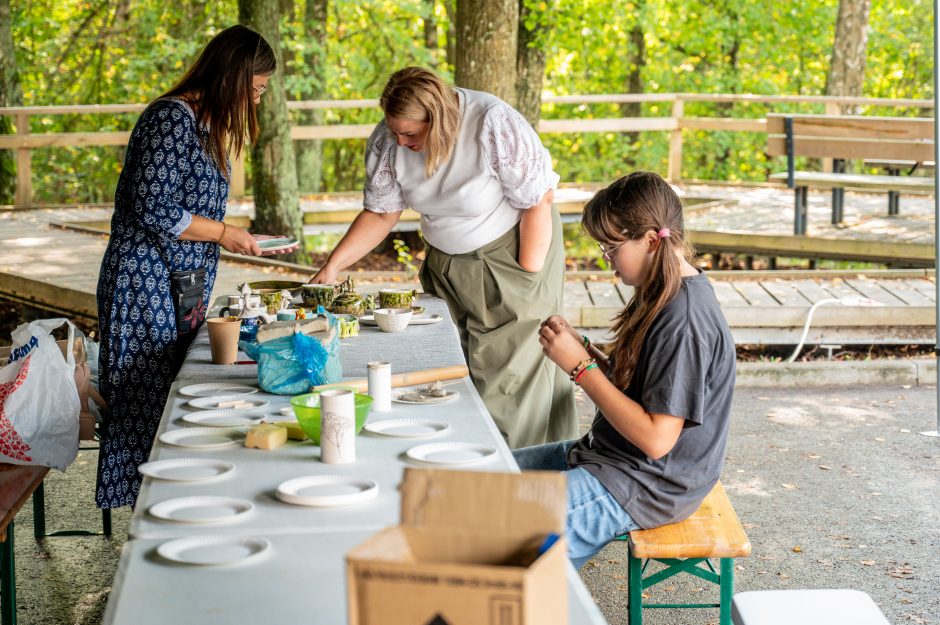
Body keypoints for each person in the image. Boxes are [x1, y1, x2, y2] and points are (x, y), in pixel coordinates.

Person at [310, 67, 576, 448]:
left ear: (438, 119)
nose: (400, 142)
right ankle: (461, 466)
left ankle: (517, 476)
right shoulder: (389, 141)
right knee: (453, 366)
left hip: (514, 254)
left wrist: (527, 277)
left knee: (509, 381)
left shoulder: (491, 123)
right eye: (394, 131)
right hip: (448, 263)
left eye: (411, 134)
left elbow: (539, 200)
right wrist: (333, 265)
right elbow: (382, 213)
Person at [95, 25, 297, 509]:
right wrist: (226, 233)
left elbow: (191, 210)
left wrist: (239, 232)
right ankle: (149, 509)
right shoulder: (170, 119)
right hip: (143, 283)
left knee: (173, 391)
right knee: (144, 396)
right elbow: (153, 205)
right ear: (231, 77)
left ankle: (177, 494)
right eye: (255, 89)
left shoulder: (206, 127)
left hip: (179, 283)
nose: (257, 101)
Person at [514, 172, 736, 568]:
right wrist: (586, 351)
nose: (607, 259)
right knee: (484, 474)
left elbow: (656, 439)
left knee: (496, 528)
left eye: (611, 247)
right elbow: (640, 387)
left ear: (651, 240)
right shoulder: (662, 289)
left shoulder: (684, 320)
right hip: (609, 458)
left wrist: (581, 368)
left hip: (647, 484)